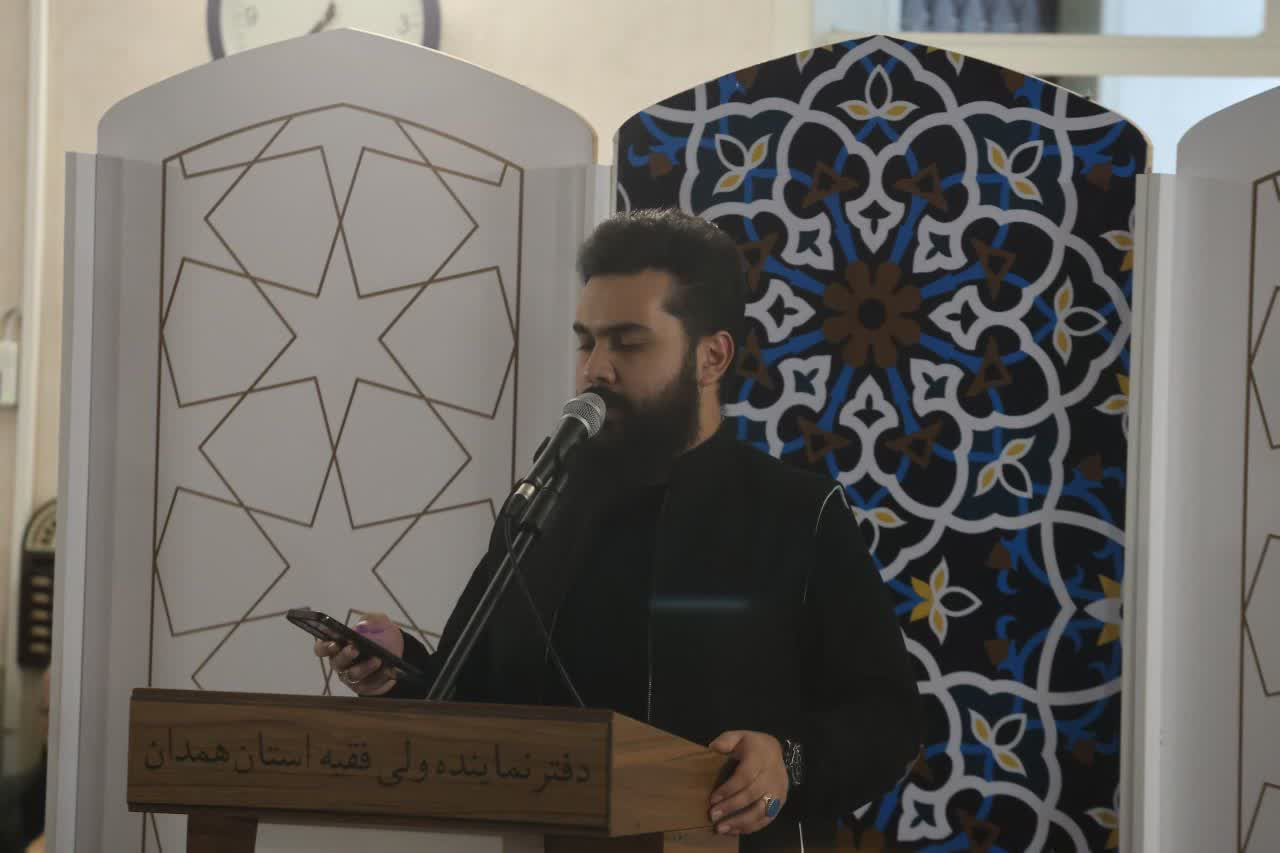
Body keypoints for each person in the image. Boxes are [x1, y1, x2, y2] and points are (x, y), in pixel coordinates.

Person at [314, 209, 922, 850]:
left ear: (711, 357)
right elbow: (475, 696)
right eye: (587, 342)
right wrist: (398, 669)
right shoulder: (542, 508)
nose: (595, 371)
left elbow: (887, 721)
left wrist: (786, 760)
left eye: (628, 344)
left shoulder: (797, 512)